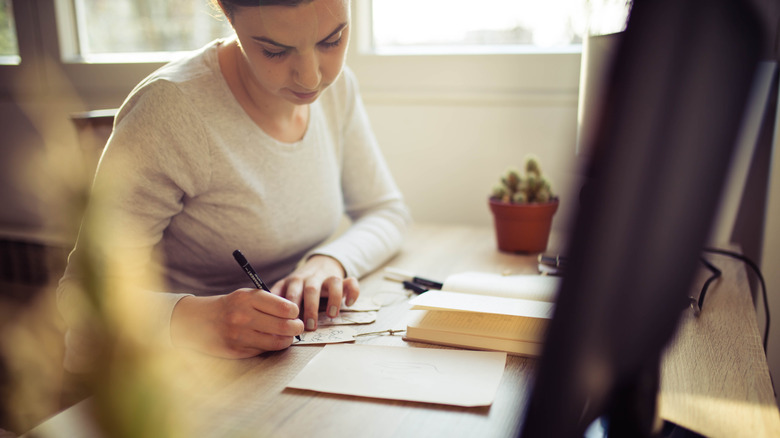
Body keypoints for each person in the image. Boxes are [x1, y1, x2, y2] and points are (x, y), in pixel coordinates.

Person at [57, 0, 410, 371]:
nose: (310, 78)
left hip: (274, 364)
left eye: (332, 41)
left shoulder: (338, 90)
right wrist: (196, 318)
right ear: (228, 17)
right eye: (274, 50)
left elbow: (386, 211)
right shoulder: (170, 110)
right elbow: (81, 296)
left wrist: (330, 262)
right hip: (152, 378)